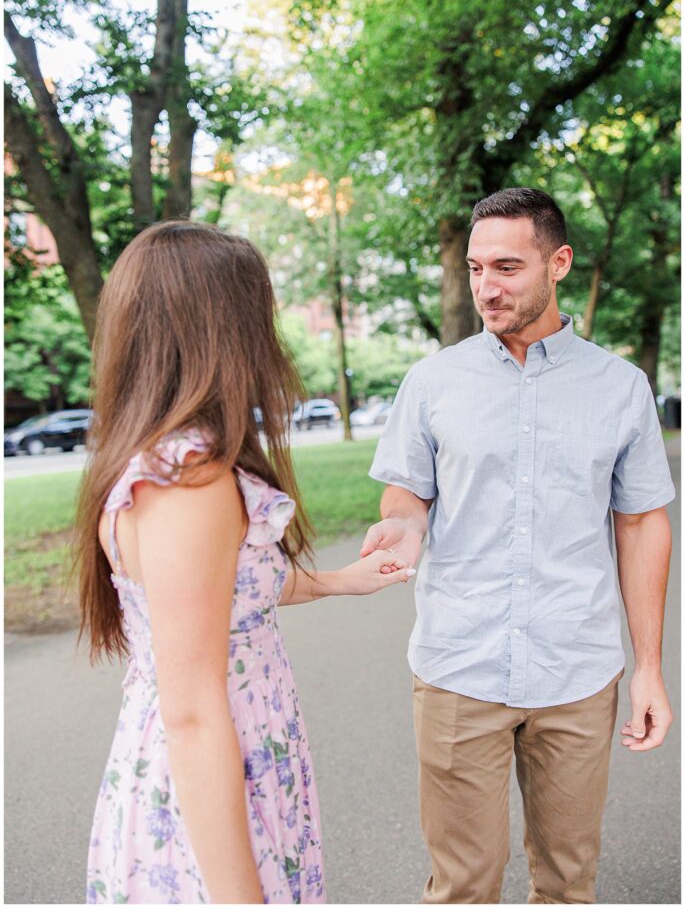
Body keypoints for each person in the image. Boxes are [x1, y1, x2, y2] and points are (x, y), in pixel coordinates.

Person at [76, 220, 414, 905]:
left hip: (236, 764)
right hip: (210, 791)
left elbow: (212, 598)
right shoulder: (188, 484)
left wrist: (335, 583)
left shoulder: (174, 462)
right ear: (220, 328)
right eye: (260, 312)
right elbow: (193, 715)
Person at [363, 187, 675, 904]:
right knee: (462, 886)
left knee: (567, 882)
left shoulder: (620, 389)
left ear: (557, 262)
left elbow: (639, 524)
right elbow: (407, 494)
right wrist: (404, 525)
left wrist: (650, 668)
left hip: (577, 671)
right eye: (475, 269)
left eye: (505, 267)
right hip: (456, 666)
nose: (485, 287)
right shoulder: (433, 382)